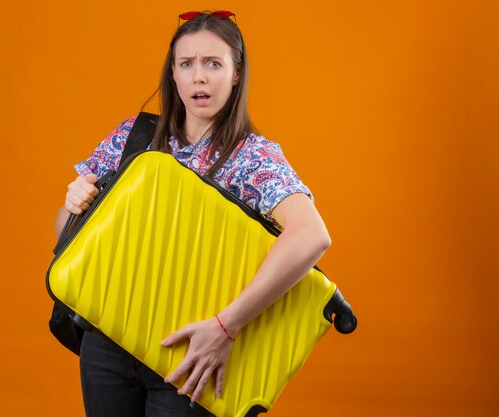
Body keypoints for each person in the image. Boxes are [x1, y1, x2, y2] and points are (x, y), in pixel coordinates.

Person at [54, 10, 331, 417]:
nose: (198, 76)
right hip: (107, 343)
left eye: (213, 64)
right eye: (187, 64)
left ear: (236, 74)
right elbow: (64, 237)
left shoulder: (251, 157)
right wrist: (75, 204)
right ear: (174, 73)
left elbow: (311, 236)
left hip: (189, 358)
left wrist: (225, 327)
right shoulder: (136, 137)